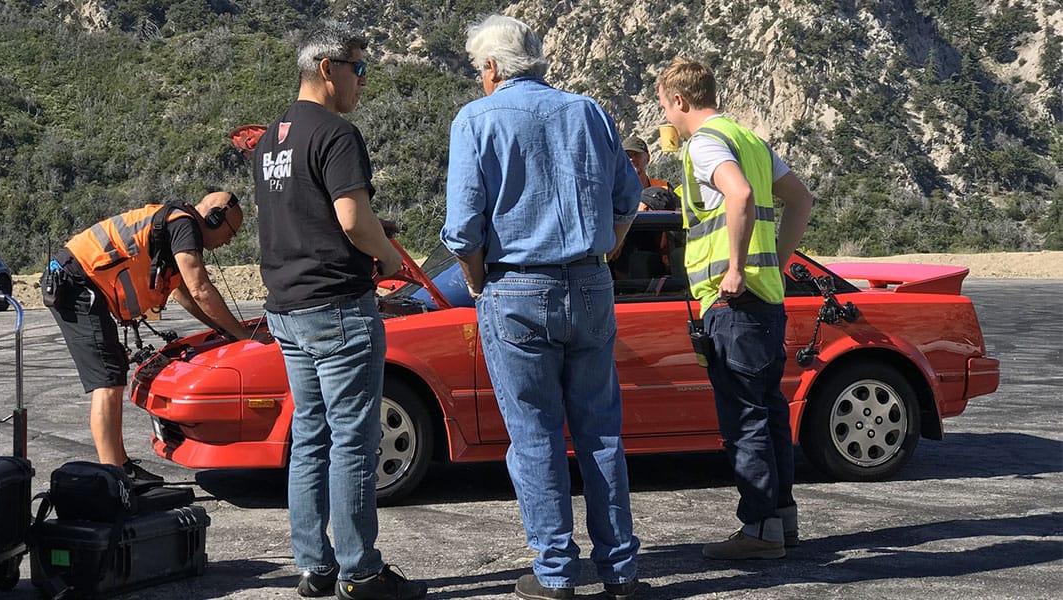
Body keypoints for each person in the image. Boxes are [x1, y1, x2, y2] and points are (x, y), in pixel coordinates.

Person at [442, 15, 641, 600]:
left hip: (515, 289)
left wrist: (477, 283)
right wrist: (601, 254)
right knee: (601, 433)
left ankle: (555, 573)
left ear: (493, 68)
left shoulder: (475, 120)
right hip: (589, 283)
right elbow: (628, 201)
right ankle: (620, 571)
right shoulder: (590, 111)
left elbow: (462, 230)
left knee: (534, 437)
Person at [251, 21, 426, 600]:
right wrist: (392, 259)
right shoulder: (337, 134)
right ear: (327, 69)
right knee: (354, 439)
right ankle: (361, 571)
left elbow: (304, 217)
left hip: (288, 306)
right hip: (338, 308)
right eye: (358, 68)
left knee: (310, 437)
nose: (363, 82)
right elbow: (352, 221)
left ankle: (314, 567)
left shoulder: (270, 140)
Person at [656, 57, 814, 559]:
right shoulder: (749, 140)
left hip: (733, 303)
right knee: (768, 416)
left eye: (663, 105)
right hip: (767, 301)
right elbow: (801, 200)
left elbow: (739, 193)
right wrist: (776, 263)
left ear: (679, 101)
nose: (665, 115)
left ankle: (759, 531)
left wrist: (735, 269)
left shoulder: (705, 144)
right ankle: (781, 523)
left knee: (744, 422)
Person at [48, 191, 252, 482]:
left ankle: (121, 467)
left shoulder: (176, 225)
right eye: (230, 233)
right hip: (76, 283)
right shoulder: (184, 225)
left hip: (80, 282)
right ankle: (114, 480)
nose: (229, 241)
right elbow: (200, 289)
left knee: (113, 374)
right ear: (214, 217)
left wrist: (223, 330)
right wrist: (241, 335)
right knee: (106, 382)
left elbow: (184, 294)